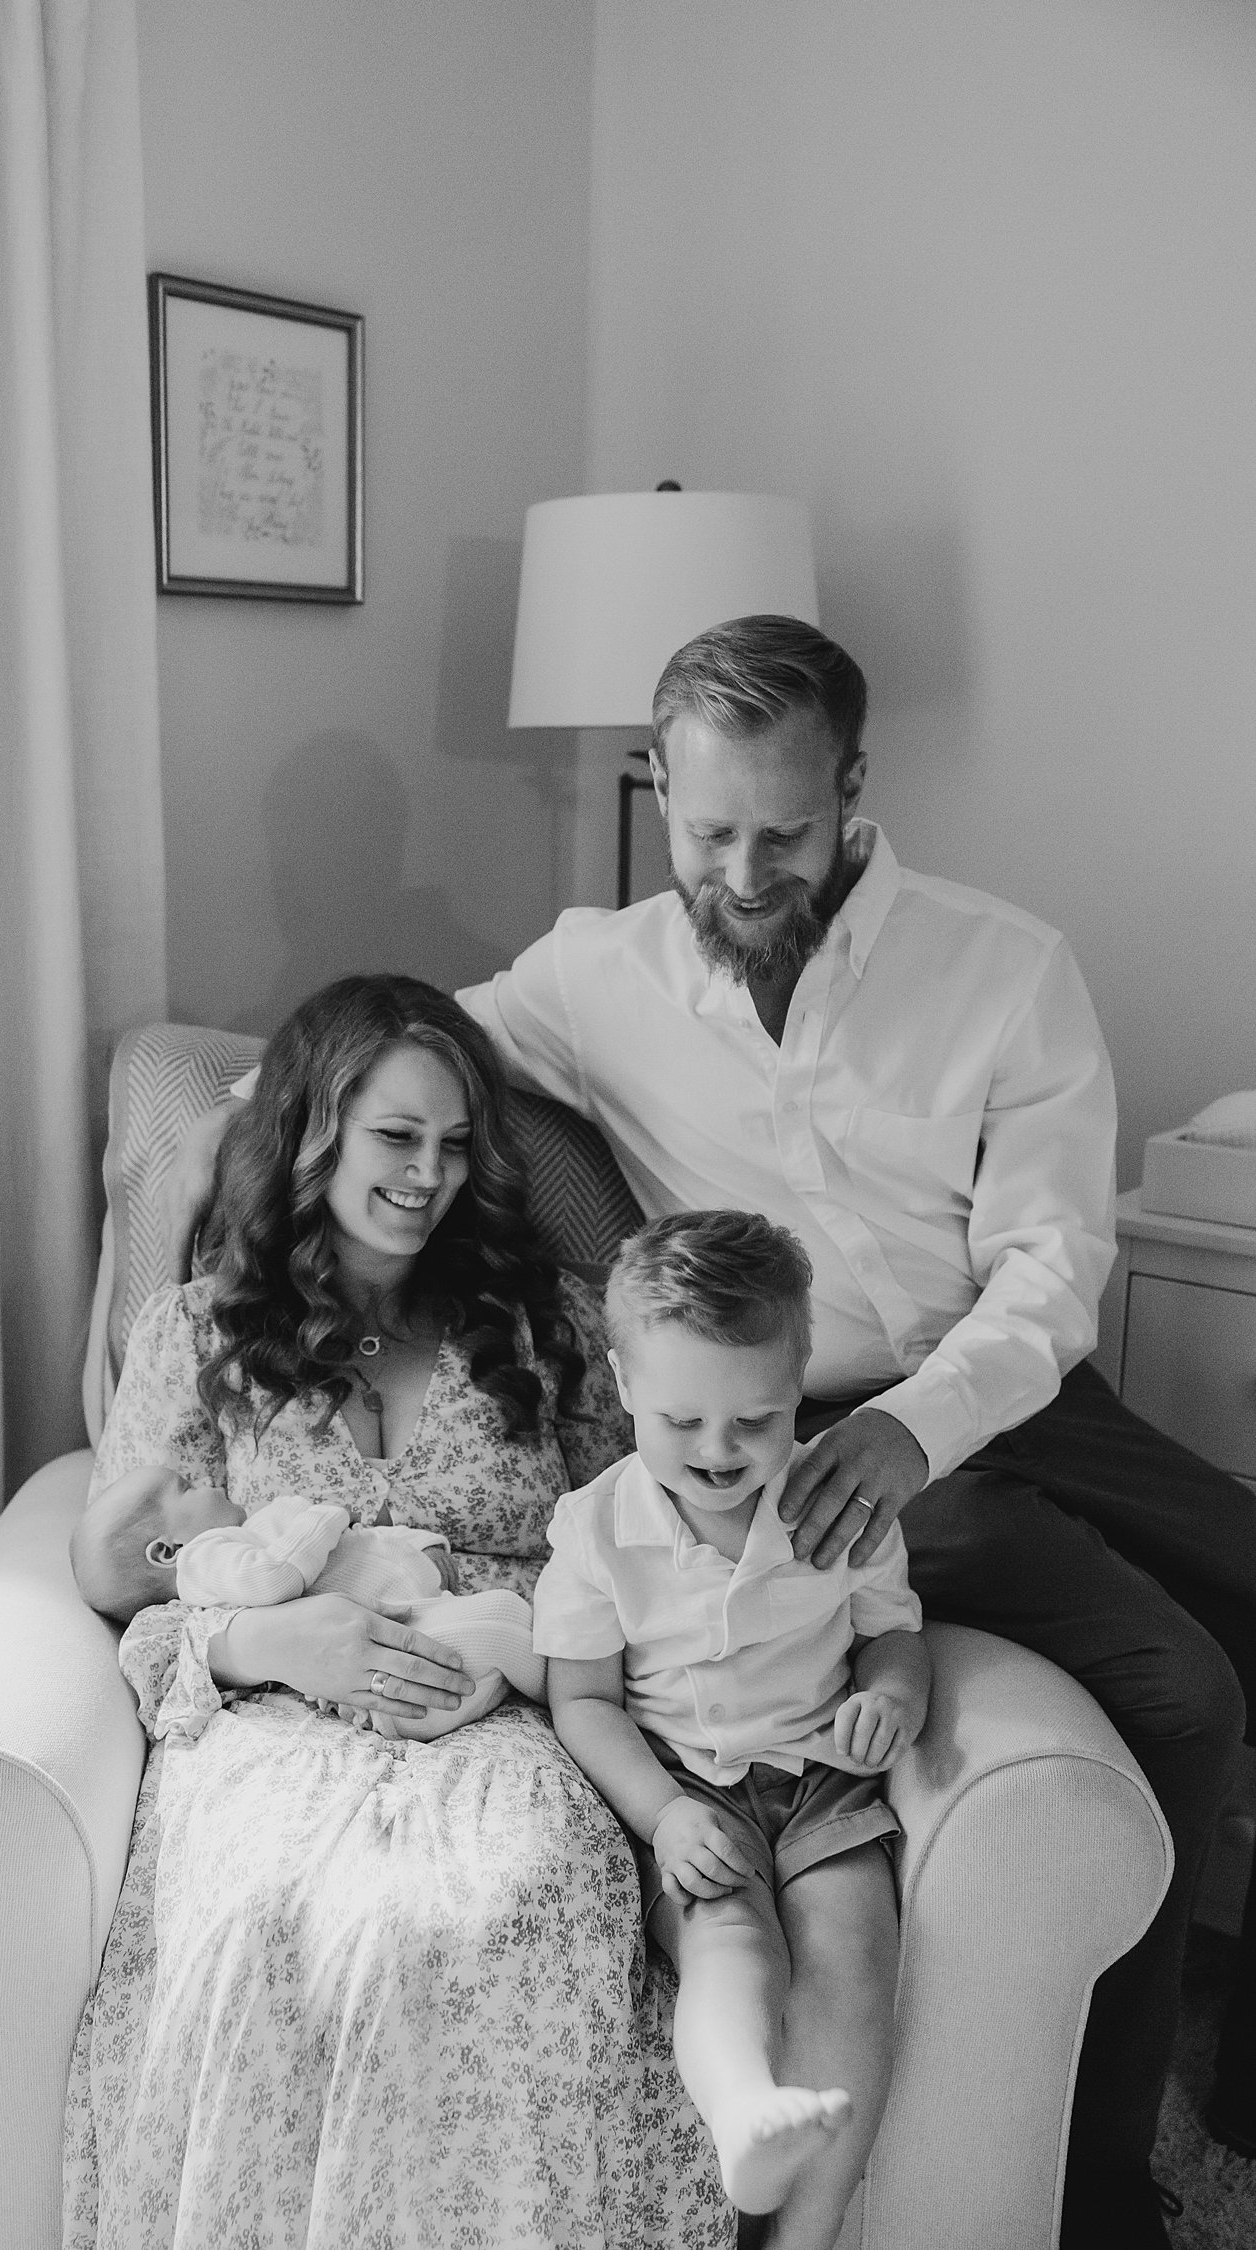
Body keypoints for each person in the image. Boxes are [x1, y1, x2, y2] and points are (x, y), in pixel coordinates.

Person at [162, 617, 1256, 2247]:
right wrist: (240, 1141)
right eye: (707, 831)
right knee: (1185, 1686)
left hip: (1000, 1382)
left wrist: (920, 1427)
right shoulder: (593, 973)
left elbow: (1053, 1265)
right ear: (654, 789)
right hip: (789, 1420)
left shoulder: (1004, 964)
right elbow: (400, 1060)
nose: (745, 872)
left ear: (857, 793)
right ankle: (1105, 2177)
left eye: (786, 833)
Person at [64, 973, 732, 2250]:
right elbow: (142, 1584)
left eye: (454, 1141)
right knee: (276, 1926)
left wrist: (512, 1652)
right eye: (395, 1136)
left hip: (507, 1728)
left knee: (479, 1919)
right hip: (270, 1730)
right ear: (315, 1131)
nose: (428, 1174)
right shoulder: (198, 1333)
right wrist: (277, 1639)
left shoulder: (559, 1328)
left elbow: (637, 1557)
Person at [537, 1211, 929, 2250]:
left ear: (800, 1389)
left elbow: (894, 1637)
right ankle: (745, 2107)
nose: (719, 1453)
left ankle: (805, 2232)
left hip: (822, 1781)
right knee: (730, 1944)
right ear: (622, 1388)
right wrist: (662, 1817)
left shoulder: (838, 1506)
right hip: (689, 1789)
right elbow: (581, 1699)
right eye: (683, 1422)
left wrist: (892, 1696)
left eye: (754, 1422)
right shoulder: (595, 1527)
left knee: (855, 1951)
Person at [70, 1458, 546, 1738]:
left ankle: (561, 1686)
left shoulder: (251, 1534)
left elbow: (362, 1547)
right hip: (399, 1672)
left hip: (419, 1645)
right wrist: (326, 1516)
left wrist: (421, 1547)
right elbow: (279, 1579)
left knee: (502, 1639)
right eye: (188, 1487)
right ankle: (570, 1689)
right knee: (505, 1617)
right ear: (166, 1552)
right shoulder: (205, 1558)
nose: (209, 1481)